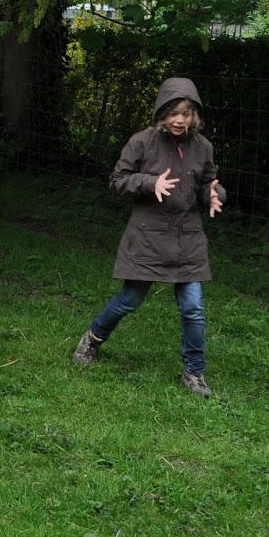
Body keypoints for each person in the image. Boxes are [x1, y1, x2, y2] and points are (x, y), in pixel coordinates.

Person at [72, 77, 226, 396]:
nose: (179, 120)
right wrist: (149, 183)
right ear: (161, 114)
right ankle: (92, 339)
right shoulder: (141, 142)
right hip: (148, 236)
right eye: (172, 113)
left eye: (185, 113)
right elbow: (117, 180)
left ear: (194, 114)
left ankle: (194, 373)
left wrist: (214, 194)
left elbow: (207, 183)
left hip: (187, 239)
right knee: (130, 299)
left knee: (193, 307)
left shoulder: (203, 147)